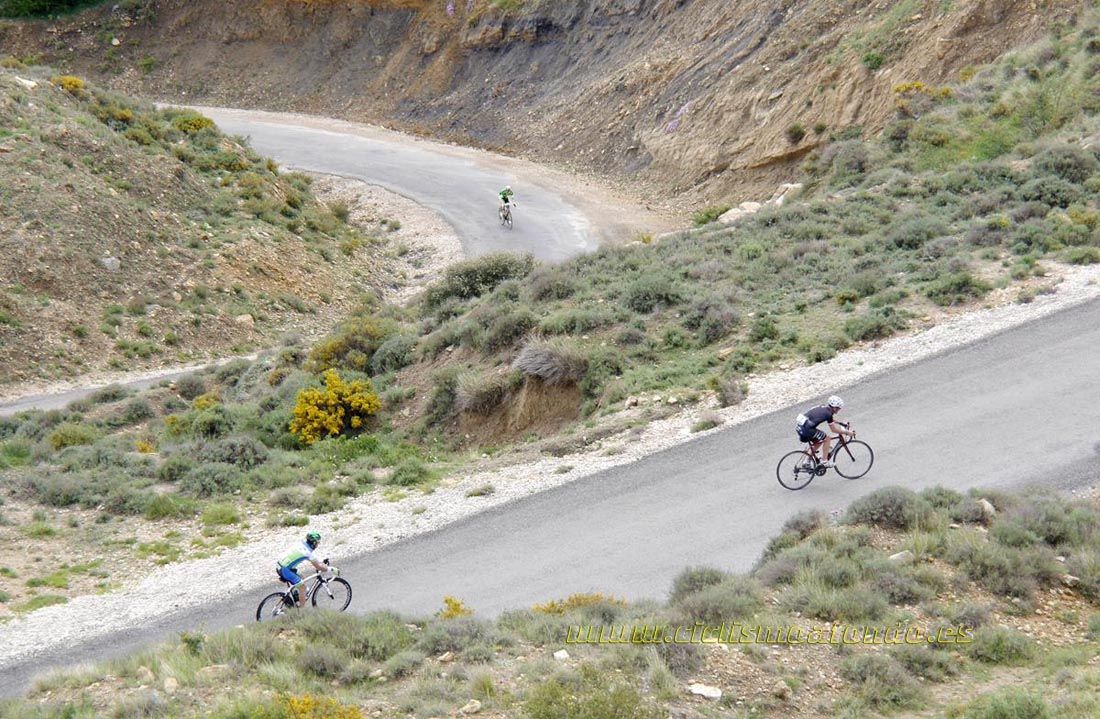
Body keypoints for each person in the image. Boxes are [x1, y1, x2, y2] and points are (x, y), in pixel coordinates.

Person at [795, 395, 855, 468]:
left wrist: (840, 423)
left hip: (801, 427)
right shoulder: (828, 414)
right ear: (834, 407)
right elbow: (834, 430)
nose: (839, 410)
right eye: (838, 408)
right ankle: (824, 461)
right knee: (827, 439)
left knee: (818, 441)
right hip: (807, 429)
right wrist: (848, 432)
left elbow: (830, 420)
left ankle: (806, 461)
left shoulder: (824, 408)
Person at [277, 531, 328, 607]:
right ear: (314, 543)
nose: (318, 544)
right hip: (286, 570)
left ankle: (296, 597)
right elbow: (318, 567)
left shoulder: (301, 543)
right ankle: (302, 611)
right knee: (303, 588)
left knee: (302, 577)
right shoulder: (308, 552)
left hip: (280, 565)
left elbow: (315, 558)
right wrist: (328, 569)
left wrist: (321, 561)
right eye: (317, 543)